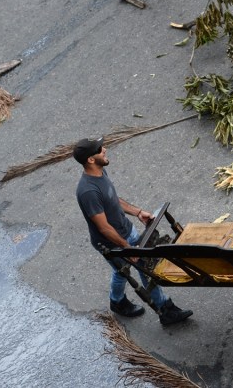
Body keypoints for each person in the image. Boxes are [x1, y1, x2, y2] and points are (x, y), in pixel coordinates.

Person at [74, 136, 192, 326]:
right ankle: (165, 309)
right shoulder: (88, 192)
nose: (105, 150)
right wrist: (127, 248)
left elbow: (113, 200)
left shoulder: (99, 173)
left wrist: (138, 212)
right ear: (90, 159)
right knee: (142, 268)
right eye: (100, 149)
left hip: (125, 232)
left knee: (123, 271)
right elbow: (103, 227)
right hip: (112, 243)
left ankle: (117, 301)